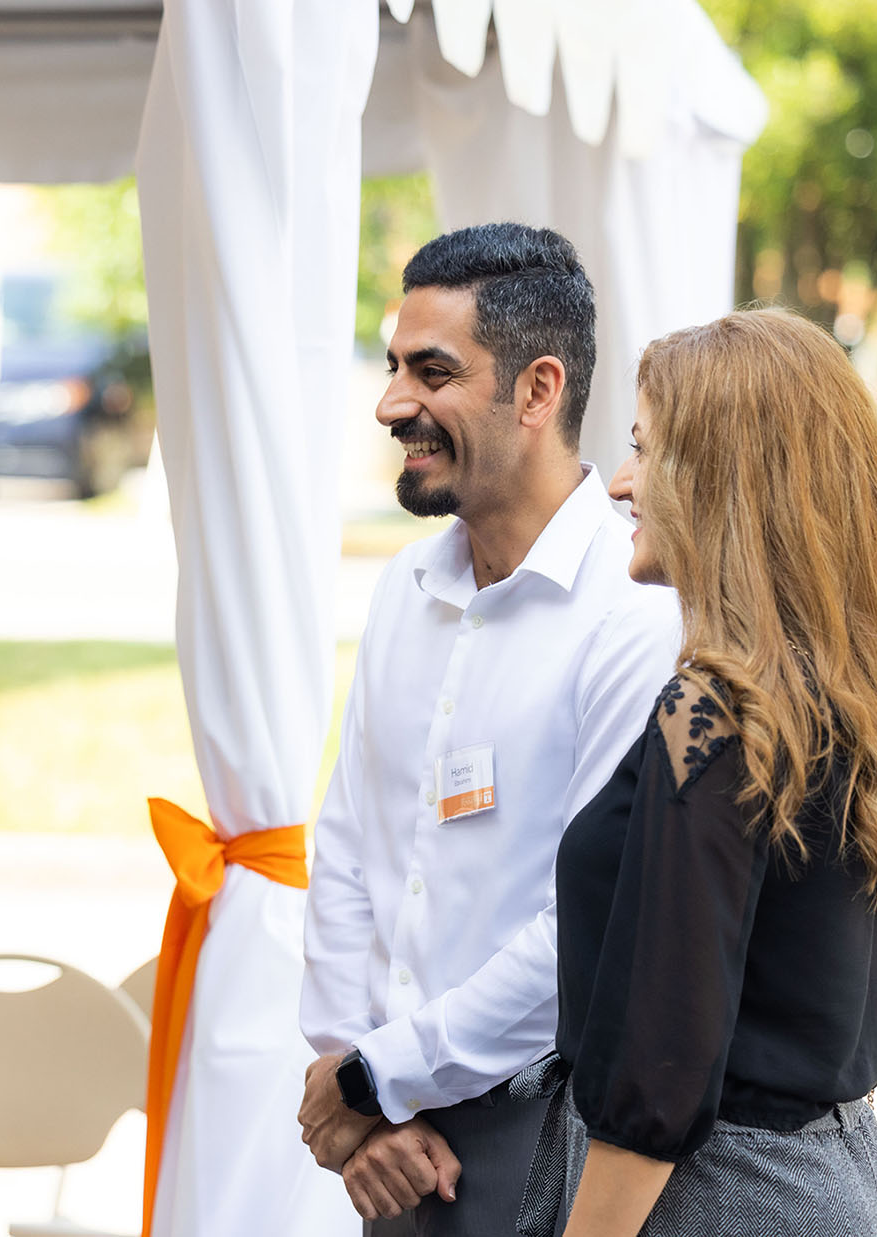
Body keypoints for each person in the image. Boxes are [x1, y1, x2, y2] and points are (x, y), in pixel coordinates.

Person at [551, 308, 877, 1237]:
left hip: (718, 1198)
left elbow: (658, 1071)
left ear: (726, 480)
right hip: (843, 1176)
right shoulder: (832, 697)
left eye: (644, 449)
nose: (621, 482)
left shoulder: (710, 713)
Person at [297, 223, 681, 1234]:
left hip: (549, 1137)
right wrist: (352, 1083)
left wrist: (381, 1075)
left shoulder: (634, 608)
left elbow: (593, 930)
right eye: (392, 368)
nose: (390, 404)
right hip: (386, 1141)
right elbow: (347, 847)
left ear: (537, 389)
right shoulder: (402, 588)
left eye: (431, 372)